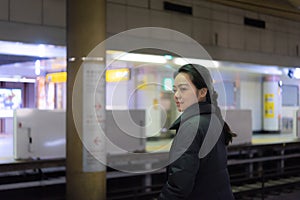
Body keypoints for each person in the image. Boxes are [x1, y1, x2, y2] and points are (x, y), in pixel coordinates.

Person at [158, 64, 236, 200]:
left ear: (202, 92)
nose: (176, 95)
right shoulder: (214, 120)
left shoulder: (191, 127)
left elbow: (179, 185)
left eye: (183, 89)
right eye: (175, 90)